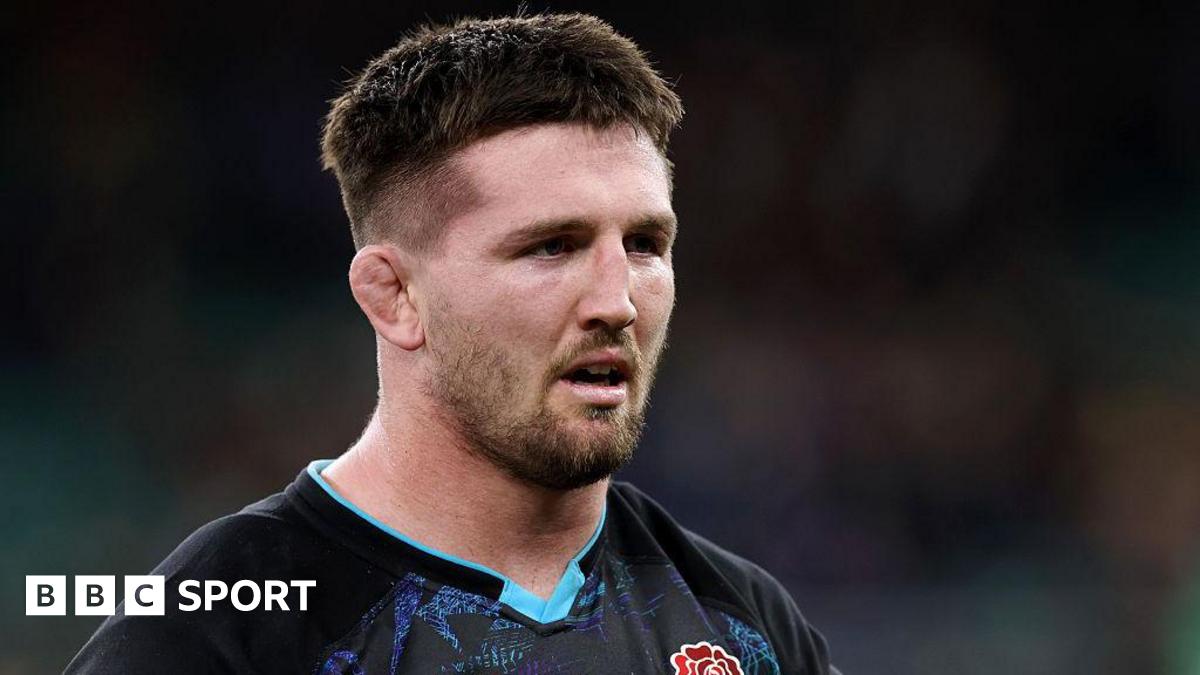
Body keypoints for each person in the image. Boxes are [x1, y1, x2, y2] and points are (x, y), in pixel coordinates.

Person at [67, 13, 837, 674]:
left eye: (643, 242)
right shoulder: (215, 629)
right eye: (552, 246)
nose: (617, 302)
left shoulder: (742, 620)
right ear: (396, 297)